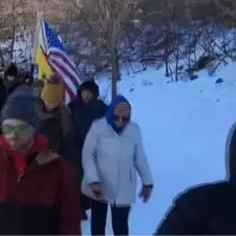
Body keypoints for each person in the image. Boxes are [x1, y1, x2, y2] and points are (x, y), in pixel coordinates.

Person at [0, 87, 81, 236]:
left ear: (34, 128)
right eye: (8, 128)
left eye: (20, 129)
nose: (13, 135)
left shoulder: (56, 167)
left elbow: (70, 219)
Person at [81, 95, 153, 236]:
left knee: (121, 226)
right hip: (100, 183)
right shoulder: (98, 127)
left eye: (124, 118)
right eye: (116, 117)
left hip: (124, 185)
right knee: (98, 224)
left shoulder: (133, 130)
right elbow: (88, 155)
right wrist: (93, 180)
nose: (120, 121)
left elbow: (140, 158)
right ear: (110, 113)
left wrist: (147, 183)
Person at [68, 80, 106, 220]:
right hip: (76, 147)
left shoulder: (101, 107)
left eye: (88, 93)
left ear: (94, 94)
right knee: (77, 178)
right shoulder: (73, 106)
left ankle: (93, 203)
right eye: (83, 93)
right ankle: (80, 208)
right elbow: (66, 122)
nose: (85, 96)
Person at [37, 74, 76, 162]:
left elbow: (68, 141)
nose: (51, 105)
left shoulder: (64, 114)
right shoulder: (34, 110)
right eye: (48, 101)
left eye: (55, 102)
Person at [0, 63, 21, 141]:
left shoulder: (18, 87)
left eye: (13, 76)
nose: (11, 79)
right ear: (6, 75)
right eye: (9, 76)